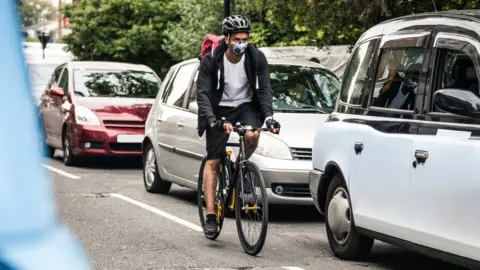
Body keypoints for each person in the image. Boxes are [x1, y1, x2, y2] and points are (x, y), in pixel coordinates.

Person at [196, 14, 280, 234]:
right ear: (227, 38)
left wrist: (269, 116)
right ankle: (212, 215)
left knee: (253, 136)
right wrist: (212, 120)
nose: (241, 44)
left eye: (244, 39)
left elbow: (263, 90)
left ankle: (238, 166)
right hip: (218, 107)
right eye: (236, 39)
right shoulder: (211, 60)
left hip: (245, 105)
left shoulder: (256, 58)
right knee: (213, 161)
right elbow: (203, 94)